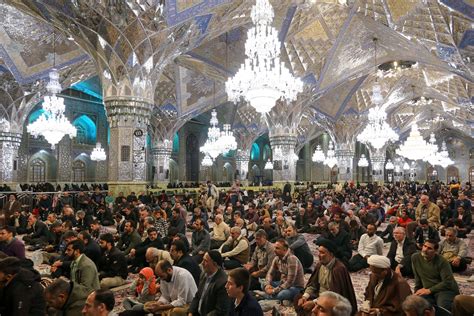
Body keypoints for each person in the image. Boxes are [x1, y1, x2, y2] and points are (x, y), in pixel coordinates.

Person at [296, 238, 357, 315]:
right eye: (318, 251)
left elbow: (335, 294)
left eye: (322, 252)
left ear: (331, 254)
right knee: (298, 298)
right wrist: (305, 297)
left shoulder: (338, 269)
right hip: (318, 295)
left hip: (330, 301)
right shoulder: (320, 265)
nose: (318, 255)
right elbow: (313, 284)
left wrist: (314, 303)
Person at [411, 239, 459, 315]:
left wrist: (429, 290)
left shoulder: (442, 261)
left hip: (444, 289)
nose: (425, 250)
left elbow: (448, 282)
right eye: (424, 246)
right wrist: (416, 291)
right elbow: (417, 277)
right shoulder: (415, 257)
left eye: (429, 248)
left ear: (436, 251)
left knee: (441, 308)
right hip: (427, 289)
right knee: (417, 305)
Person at [188, 251, 230, 316]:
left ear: (215, 264)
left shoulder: (222, 282)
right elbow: (197, 296)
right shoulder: (203, 274)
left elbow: (220, 311)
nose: (202, 263)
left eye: (205, 261)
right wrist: (191, 312)